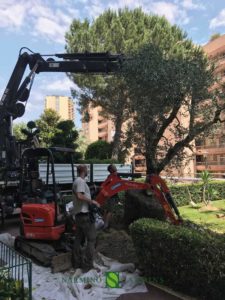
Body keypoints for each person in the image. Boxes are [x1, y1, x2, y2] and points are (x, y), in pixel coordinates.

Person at [72, 164, 100, 272]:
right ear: (84, 170)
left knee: (78, 239)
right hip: (84, 215)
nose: (87, 170)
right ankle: (88, 266)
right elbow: (79, 195)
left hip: (79, 216)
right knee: (92, 239)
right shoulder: (80, 181)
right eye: (87, 169)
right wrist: (92, 201)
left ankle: (76, 263)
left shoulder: (76, 181)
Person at [102, 164, 118, 230]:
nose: (115, 167)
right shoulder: (113, 176)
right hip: (111, 196)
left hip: (110, 195)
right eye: (114, 166)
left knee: (106, 210)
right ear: (111, 169)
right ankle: (106, 226)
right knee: (110, 211)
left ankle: (103, 223)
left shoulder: (110, 176)